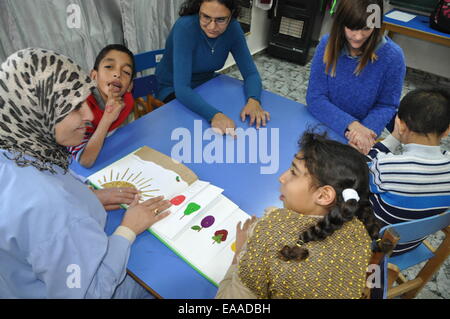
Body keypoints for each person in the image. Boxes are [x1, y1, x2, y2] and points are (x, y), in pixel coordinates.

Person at [0, 48, 172, 298]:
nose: (90, 114)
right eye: (75, 108)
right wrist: (128, 230)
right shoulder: (51, 208)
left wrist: (90, 197)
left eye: (85, 102)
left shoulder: (17, 149)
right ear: (39, 110)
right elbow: (93, 292)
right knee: (165, 280)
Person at [216, 132, 381, 299]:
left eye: (293, 172)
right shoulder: (360, 231)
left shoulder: (267, 238)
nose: (282, 178)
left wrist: (240, 254)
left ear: (323, 196)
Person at [155, 0, 269, 136]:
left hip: (207, 84)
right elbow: (182, 89)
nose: (212, 26)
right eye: (206, 17)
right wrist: (214, 115)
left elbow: (251, 74)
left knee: (239, 123)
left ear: (231, 15)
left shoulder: (233, 28)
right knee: (196, 135)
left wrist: (254, 100)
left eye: (220, 19)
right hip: (171, 87)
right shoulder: (185, 27)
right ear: (198, 10)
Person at [306, 0, 406, 155]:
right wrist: (352, 125)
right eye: (351, 28)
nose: (358, 37)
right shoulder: (327, 44)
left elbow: (386, 105)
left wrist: (363, 134)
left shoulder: (393, 56)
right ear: (340, 23)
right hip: (325, 124)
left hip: (362, 136)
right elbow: (315, 97)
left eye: (366, 28)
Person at [367, 88, 450, 256]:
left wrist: (396, 137)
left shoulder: (388, 166)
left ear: (401, 124)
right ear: (447, 130)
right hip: (408, 245)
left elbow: (360, 167)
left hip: (373, 246)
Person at [68, 44, 136, 168]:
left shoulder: (127, 102)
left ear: (130, 86)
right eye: (109, 67)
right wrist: (107, 118)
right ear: (94, 76)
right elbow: (85, 161)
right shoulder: (78, 107)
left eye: (126, 72)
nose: (117, 74)